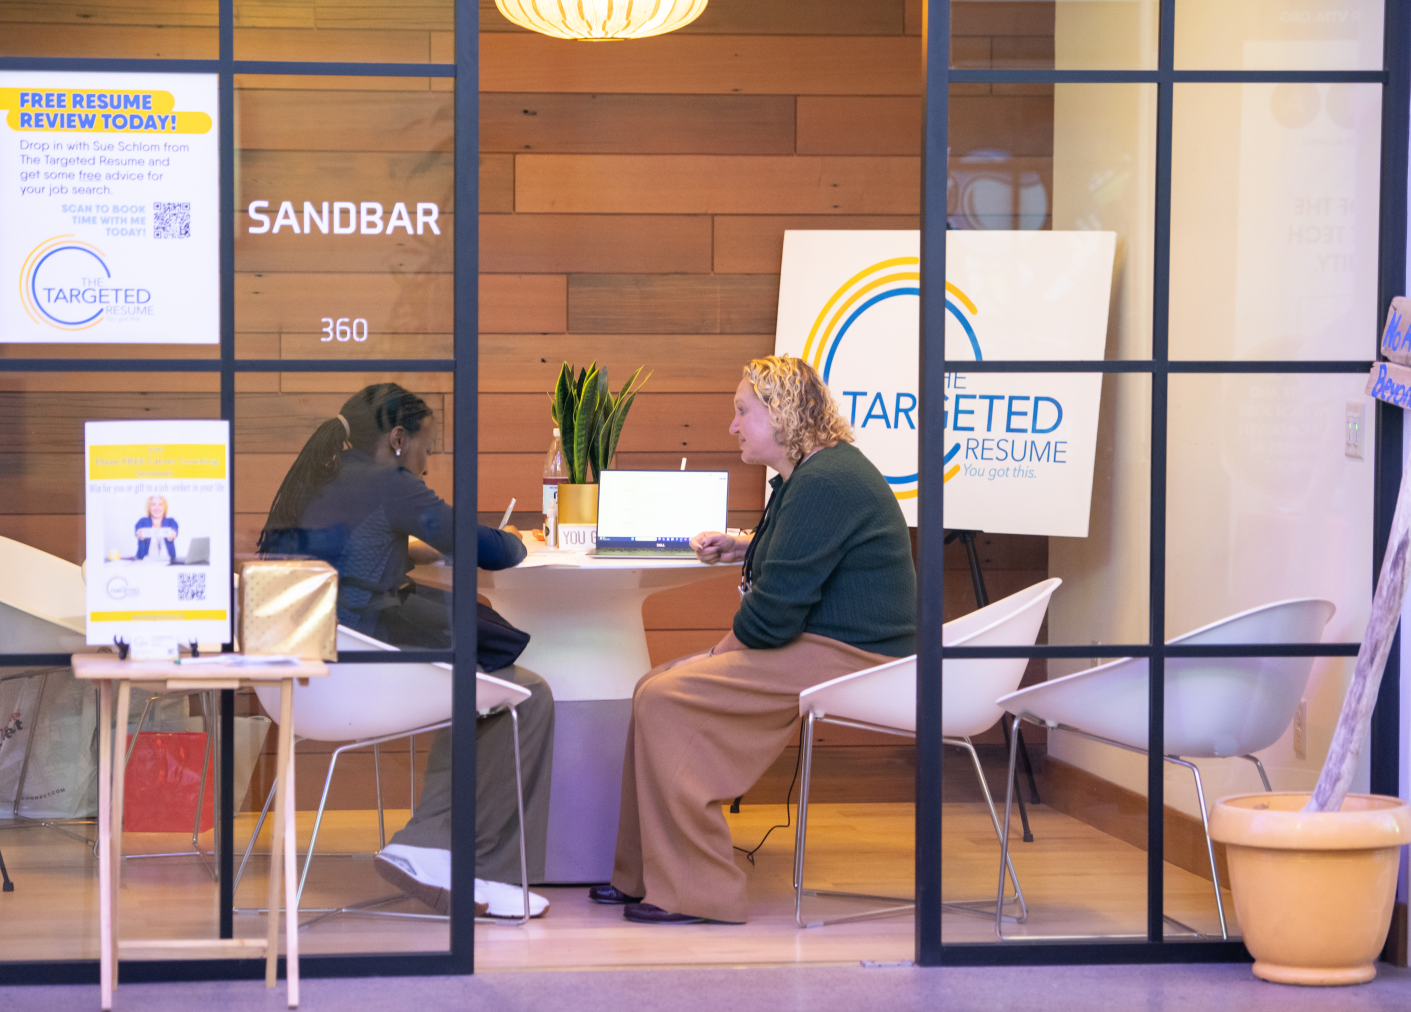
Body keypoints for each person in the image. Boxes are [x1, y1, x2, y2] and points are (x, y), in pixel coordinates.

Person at [591, 356, 917, 924]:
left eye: (743, 411)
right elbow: (809, 559)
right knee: (654, 685)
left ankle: (699, 893)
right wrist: (746, 546)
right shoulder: (818, 473)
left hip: (855, 657)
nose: (734, 426)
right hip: (836, 644)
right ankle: (646, 874)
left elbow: (770, 620)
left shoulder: (825, 483)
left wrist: (719, 654)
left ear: (780, 412)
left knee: (665, 697)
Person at [258, 382, 555, 919]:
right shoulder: (387, 482)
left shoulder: (325, 473)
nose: (430, 459)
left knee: (480, 676)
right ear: (398, 438)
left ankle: (440, 844)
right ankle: (465, 860)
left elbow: (353, 547)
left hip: (303, 664)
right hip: (358, 662)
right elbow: (483, 545)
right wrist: (521, 541)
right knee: (522, 691)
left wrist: (403, 548)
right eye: (428, 445)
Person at [134, 495, 178, 562]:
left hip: (168, 562)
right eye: (153, 505)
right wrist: (140, 536)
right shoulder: (142, 522)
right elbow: (140, 555)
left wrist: (173, 534)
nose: (156, 508)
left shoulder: (171, 522)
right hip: (146, 563)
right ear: (149, 507)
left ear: (164, 507)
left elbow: (175, 531)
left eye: (160, 505)